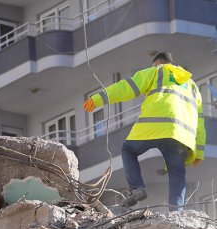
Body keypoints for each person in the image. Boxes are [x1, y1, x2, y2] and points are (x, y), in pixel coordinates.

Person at [83, 51, 205, 210]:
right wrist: (199, 151)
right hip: (181, 135)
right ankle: (176, 212)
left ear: (159, 64)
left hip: (154, 127)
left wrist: (98, 98)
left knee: (128, 150)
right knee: (177, 174)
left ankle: (137, 189)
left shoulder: (157, 71)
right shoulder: (192, 85)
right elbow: (200, 120)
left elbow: (126, 87)